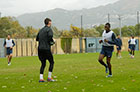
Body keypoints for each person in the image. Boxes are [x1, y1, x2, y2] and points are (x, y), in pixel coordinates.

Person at [36, 18, 55, 82]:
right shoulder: (49, 29)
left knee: (43, 63)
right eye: (50, 22)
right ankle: (49, 77)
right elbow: (50, 36)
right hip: (46, 49)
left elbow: (37, 38)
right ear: (49, 22)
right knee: (51, 62)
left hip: (40, 49)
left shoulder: (41, 30)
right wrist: (52, 41)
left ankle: (41, 78)